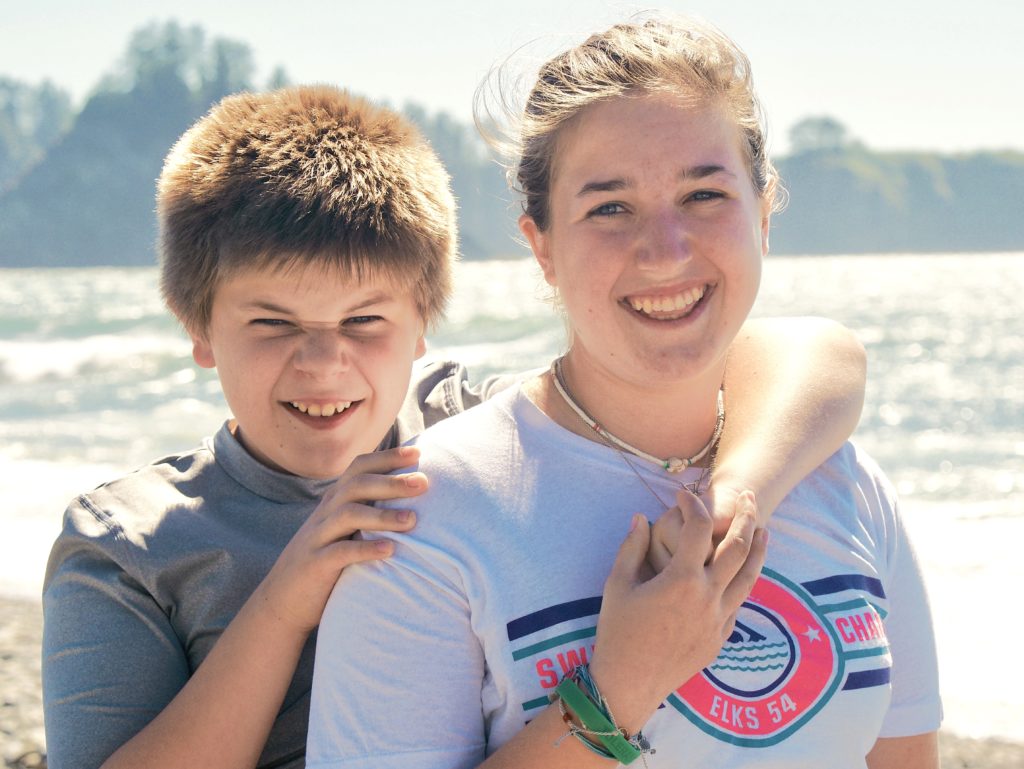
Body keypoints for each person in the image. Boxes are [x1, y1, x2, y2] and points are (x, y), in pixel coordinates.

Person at [42, 85, 867, 769]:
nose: (322, 364)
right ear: (197, 327)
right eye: (272, 323)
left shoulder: (471, 430)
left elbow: (818, 355)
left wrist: (736, 492)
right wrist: (286, 601)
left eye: (365, 321)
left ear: (424, 321)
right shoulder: (127, 544)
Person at [306, 16, 941, 769]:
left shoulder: (839, 477)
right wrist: (616, 692)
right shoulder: (429, 515)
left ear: (764, 214)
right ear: (542, 247)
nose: (666, 249)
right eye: (609, 207)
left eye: (705, 194)